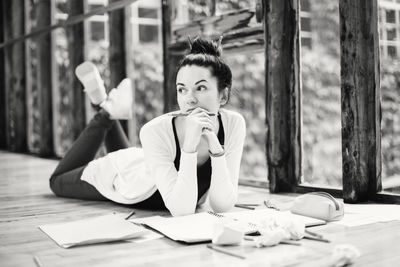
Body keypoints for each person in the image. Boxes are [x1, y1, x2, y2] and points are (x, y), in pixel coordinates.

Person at [49, 37, 246, 217]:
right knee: (57, 181)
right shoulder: (154, 130)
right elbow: (182, 210)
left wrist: (215, 146)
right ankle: (106, 113)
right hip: (123, 177)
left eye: (201, 88)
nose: (190, 99)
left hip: (144, 165)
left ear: (223, 96)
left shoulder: (233, 124)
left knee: (132, 160)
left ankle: (104, 103)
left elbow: (222, 206)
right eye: (182, 89)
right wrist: (189, 146)